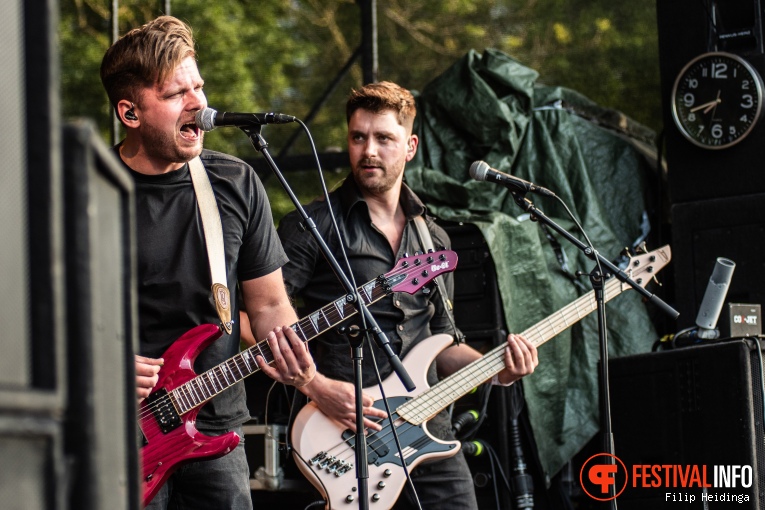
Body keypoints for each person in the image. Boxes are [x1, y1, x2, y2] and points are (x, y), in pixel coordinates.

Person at [277, 81, 538, 509]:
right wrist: (316, 386)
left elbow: (441, 344)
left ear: (410, 145)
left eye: (384, 138)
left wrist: (498, 371)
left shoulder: (432, 236)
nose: (369, 151)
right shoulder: (313, 225)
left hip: (428, 433)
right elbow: (258, 322)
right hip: (348, 434)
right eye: (359, 137)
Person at [99, 16, 315, 510]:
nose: (199, 103)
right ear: (130, 112)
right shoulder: (82, 193)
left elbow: (270, 305)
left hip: (215, 433)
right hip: (112, 437)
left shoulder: (233, 182)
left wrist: (288, 345)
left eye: (198, 85)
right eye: (177, 94)